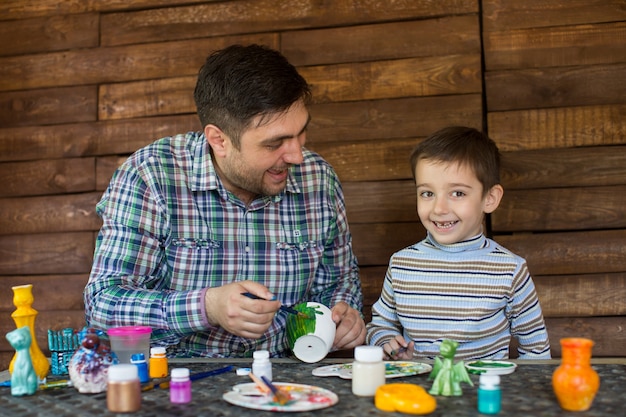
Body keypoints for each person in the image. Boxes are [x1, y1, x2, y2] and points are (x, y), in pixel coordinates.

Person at [85, 44, 365, 358]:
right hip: (178, 380)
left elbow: (339, 282)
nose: (297, 156)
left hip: (287, 378)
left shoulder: (319, 179)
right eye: (275, 143)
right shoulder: (150, 177)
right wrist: (207, 307)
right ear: (219, 140)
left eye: (300, 133)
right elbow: (103, 306)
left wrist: (346, 314)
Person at [366, 126, 551, 360]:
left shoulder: (510, 270)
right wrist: (385, 341)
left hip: (482, 394)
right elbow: (379, 325)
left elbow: (536, 350)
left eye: (458, 193)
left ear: (489, 198)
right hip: (416, 393)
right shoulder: (401, 264)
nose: (439, 208)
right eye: (427, 193)